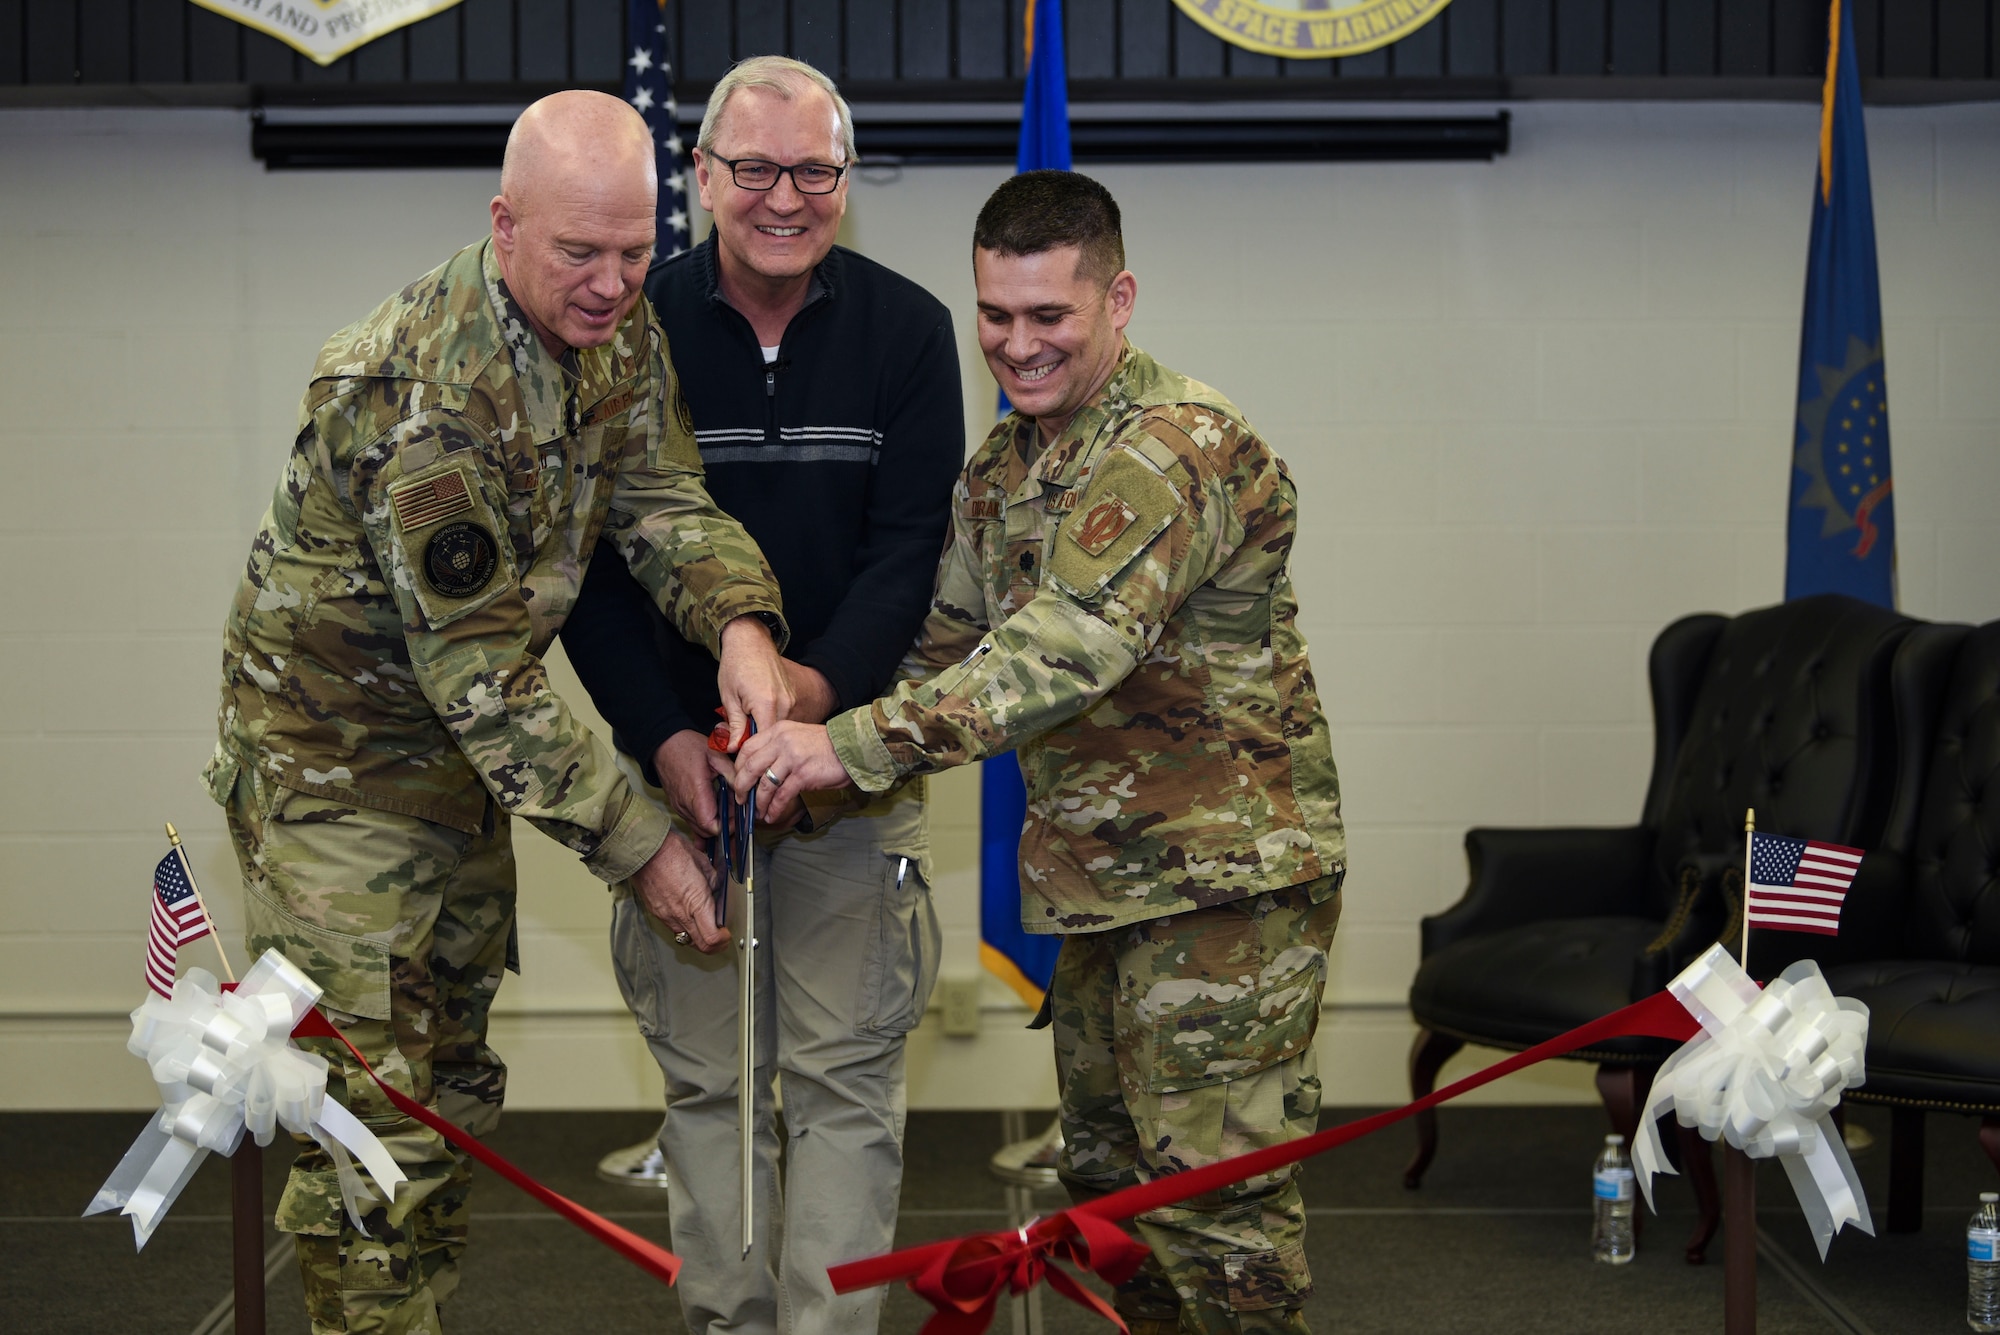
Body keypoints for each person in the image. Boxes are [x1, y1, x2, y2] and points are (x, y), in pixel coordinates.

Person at [204, 91, 793, 1335]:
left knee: (451, 1094)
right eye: (580, 253)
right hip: (337, 778)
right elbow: (480, 676)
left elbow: (660, 498)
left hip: (462, 767)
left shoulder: (615, 332)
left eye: (636, 253)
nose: (612, 284)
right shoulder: (418, 391)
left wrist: (742, 624)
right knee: (366, 1123)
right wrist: (642, 852)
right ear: (504, 222)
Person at [733, 170, 1348, 1335]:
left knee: (1214, 1216)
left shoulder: (1174, 447)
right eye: (995, 316)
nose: (1017, 347)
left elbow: (1065, 651)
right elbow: (944, 655)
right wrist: (785, 749)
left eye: (1048, 317)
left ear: (1116, 300)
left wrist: (842, 750)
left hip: (1220, 895)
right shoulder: (1003, 469)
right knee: (1114, 1196)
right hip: (1096, 890)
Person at [558, 54, 964, 1335]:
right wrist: (670, 738)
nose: (783, 197)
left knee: (843, 1091)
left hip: (846, 781)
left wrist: (814, 696)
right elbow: (595, 575)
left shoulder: (909, 331)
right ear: (700, 177)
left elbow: (910, 552)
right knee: (709, 1089)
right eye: (753, 168)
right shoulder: (629, 326)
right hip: (679, 786)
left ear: (844, 180)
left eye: (813, 171)